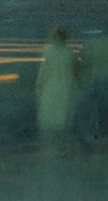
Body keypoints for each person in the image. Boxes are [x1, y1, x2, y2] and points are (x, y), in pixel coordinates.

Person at [35, 25, 81, 156]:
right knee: (65, 118)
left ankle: (56, 148)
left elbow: (43, 73)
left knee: (53, 119)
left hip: (51, 88)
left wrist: (39, 87)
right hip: (68, 87)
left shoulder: (49, 53)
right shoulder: (70, 53)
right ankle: (65, 147)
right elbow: (77, 72)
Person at [80, 23, 108, 139]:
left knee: (100, 107)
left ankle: (103, 131)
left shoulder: (93, 43)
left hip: (98, 79)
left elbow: (85, 59)